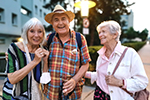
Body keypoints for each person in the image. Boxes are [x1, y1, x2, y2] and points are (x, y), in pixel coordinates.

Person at [84, 20, 148, 100]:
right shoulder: (101, 55)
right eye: (99, 32)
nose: (100, 35)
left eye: (103, 32)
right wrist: (83, 73)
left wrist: (120, 82)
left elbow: (142, 82)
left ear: (115, 34)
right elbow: (101, 75)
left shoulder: (130, 54)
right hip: (100, 96)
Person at [43, 5, 91, 100]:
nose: (60, 23)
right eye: (56, 20)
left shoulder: (79, 38)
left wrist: (74, 80)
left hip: (73, 94)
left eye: (63, 19)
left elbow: (85, 64)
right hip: (51, 93)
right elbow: (34, 49)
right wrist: (14, 53)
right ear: (52, 23)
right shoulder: (49, 39)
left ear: (69, 21)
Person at [2, 17, 50, 100]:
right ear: (26, 33)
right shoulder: (14, 48)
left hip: (34, 96)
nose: (36, 35)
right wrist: (34, 61)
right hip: (13, 97)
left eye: (40, 31)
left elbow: (44, 81)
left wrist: (45, 62)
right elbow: (12, 79)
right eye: (32, 31)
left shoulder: (43, 50)